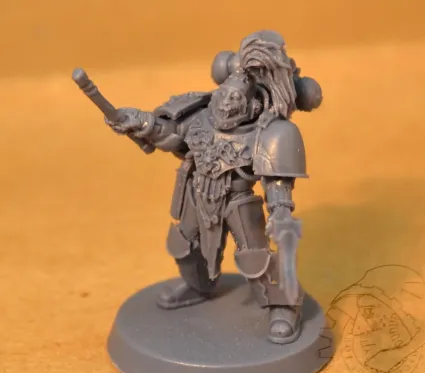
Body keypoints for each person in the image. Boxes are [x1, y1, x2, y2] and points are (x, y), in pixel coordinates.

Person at [105, 30, 319, 344]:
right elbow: (170, 134)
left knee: (255, 259)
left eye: (236, 99)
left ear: (252, 106)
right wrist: (142, 122)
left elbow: (277, 182)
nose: (226, 103)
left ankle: (283, 306)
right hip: (196, 192)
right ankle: (198, 286)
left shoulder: (272, 133)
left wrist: (280, 211)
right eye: (224, 95)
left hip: (237, 200)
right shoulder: (201, 113)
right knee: (184, 245)